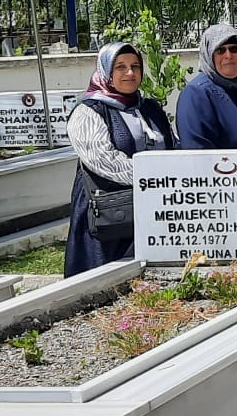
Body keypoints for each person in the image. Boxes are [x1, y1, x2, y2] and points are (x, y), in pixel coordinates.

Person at [65, 40, 177, 276]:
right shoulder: (89, 111)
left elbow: (172, 146)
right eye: (120, 67)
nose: (130, 73)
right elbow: (104, 160)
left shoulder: (149, 108)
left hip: (154, 207)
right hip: (110, 213)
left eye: (135, 66)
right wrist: (155, 178)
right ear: (106, 71)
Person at [176, 23, 237, 151]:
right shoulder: (197, 94)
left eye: (234, 49)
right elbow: (197, 151)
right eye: (220, 50)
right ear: (209, 55)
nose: (228, 55)